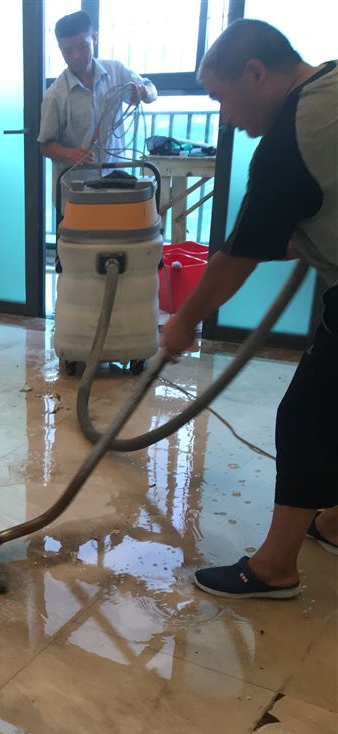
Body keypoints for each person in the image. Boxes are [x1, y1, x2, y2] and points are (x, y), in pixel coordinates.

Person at [160, 19, 337, 599]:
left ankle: (274, 568)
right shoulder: (331, 87)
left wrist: (183, 322)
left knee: (307, 415)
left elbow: (235, 262)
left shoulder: (289, 140)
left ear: (256, 73)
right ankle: (335, 522)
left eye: (222, 99)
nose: (225, 118)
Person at [38, 10, 157, 199]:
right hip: (75, 193)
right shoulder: (55, 95)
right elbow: (45, 146)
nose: (76, 56)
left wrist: (144, 92)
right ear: (60, 49)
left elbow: (152, 90)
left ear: (94, 38)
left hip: (116, 183)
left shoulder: (116, 71)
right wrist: (70, 153)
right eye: (68, 51)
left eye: (82, 46)